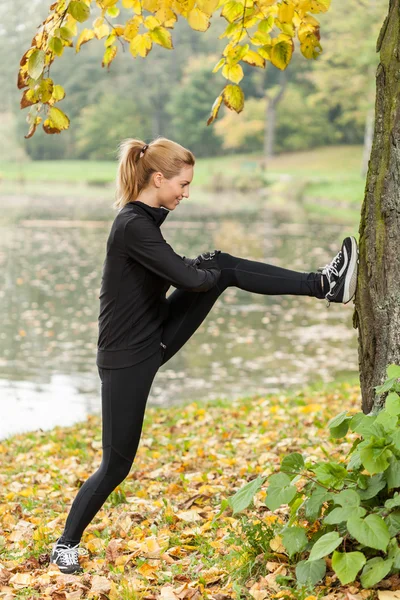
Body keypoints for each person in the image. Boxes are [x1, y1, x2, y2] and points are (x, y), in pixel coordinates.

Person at [50, 137, 358, 573]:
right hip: (127, 358)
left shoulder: (144, 219)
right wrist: (209, 271)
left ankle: (325, 285)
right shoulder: (132, 225)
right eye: (183, 184)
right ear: (158, 178)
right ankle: (65, 544)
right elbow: (190, 280)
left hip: (153, 334)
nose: (186, 194)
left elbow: (188, 274)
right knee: (117, 462)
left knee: (221, 265)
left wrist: (211, 269)